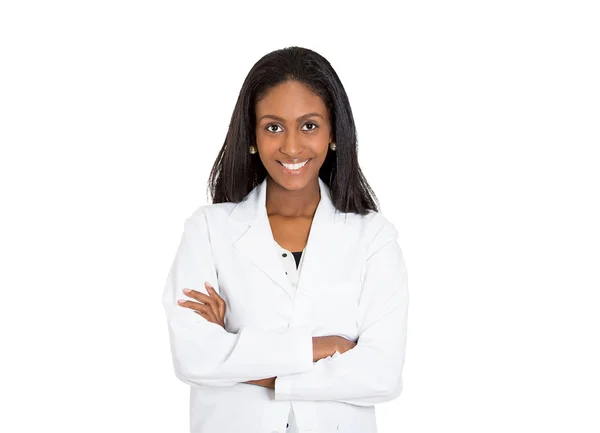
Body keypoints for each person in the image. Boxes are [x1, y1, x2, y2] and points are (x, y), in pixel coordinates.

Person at [162, 46, 409, 433]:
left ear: (333, 134)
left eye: (309, 125)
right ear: (252, 135)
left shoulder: (373, 237)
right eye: (273, 127)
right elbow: (193, 357)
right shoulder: (208, 231)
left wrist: (237, 354)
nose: (291, 147)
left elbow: (381, 374)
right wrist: (323, 348)